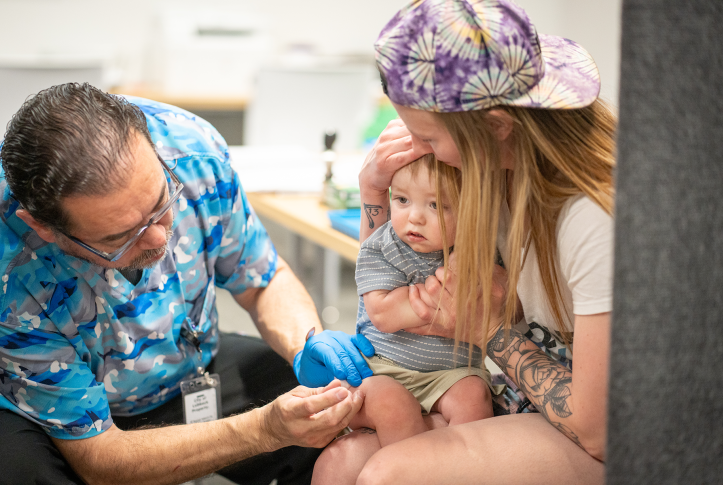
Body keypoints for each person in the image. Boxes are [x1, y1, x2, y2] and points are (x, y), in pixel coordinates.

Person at [0, 83, 375, 485]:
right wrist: (263, 431)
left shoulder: (192, 149)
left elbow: (262, 281)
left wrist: (305, 345)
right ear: (44, 227)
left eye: (162, 202)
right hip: (65, 417)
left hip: (192, 366)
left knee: (338, 412)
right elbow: (100, 458)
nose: (160, 240)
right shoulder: (11, 271)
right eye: (120, 238)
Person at [312, 0, 615, 483]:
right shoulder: (488, 177)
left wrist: (489, 330)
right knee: (340, 463)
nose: (418, 152)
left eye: (427, 139)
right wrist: (374, 190)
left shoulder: (592, 218)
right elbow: (387, 288)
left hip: (609, 431)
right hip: (521, 392)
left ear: (496, 127)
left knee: (386, 474)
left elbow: (599, 429)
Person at [342, 154, 502, 451]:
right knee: (392, 404)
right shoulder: (381, 245)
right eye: (402, 200)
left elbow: (500, 305)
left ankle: (464, 472)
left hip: (452, 372)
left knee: (475, 396)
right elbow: (384, 314)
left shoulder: (480, 251)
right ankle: (409, 472)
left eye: (436, 205)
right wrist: (453, 287)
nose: (415, 217)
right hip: (383, 370)